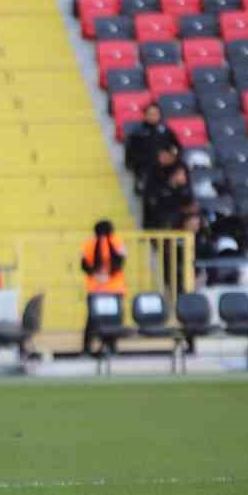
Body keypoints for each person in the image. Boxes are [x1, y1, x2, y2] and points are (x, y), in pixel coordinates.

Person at [80, 219, 127, 356]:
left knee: (93, 320)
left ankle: (88, 348)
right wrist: (108, 276)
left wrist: (96, 275)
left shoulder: (89, 242)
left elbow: (84, 265)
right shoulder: (118, 242)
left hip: (96, 288)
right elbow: (120, 262)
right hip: (114, 288)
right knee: (113, 319)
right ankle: (111, 347)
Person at [124, 103, 172, 197]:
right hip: (144, 168)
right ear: (145, 115)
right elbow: (130, 151)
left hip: (164, 167)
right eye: (151, 114)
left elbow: (174, 146)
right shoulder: (137, 133)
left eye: (156, 114)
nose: (154, 117)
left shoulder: (165, 130)